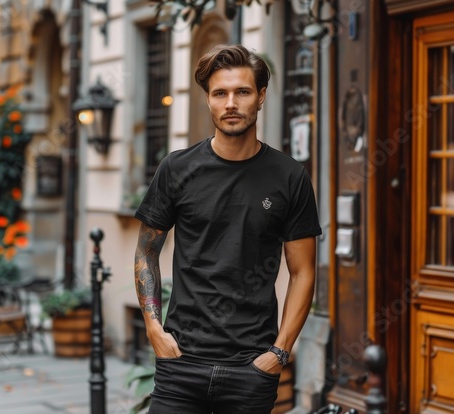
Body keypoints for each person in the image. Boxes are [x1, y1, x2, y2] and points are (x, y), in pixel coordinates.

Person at [134, 44, 321, 414]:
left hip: (251, 369)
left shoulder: (289, 177)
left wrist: (279, 352)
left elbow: (303, 273)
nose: (231, 103)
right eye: (220, 93)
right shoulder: (177, 169)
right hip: (181, 362)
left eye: (243, 92)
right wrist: (155, 329)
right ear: (208, 99)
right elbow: (146, 251)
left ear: (261, 96)